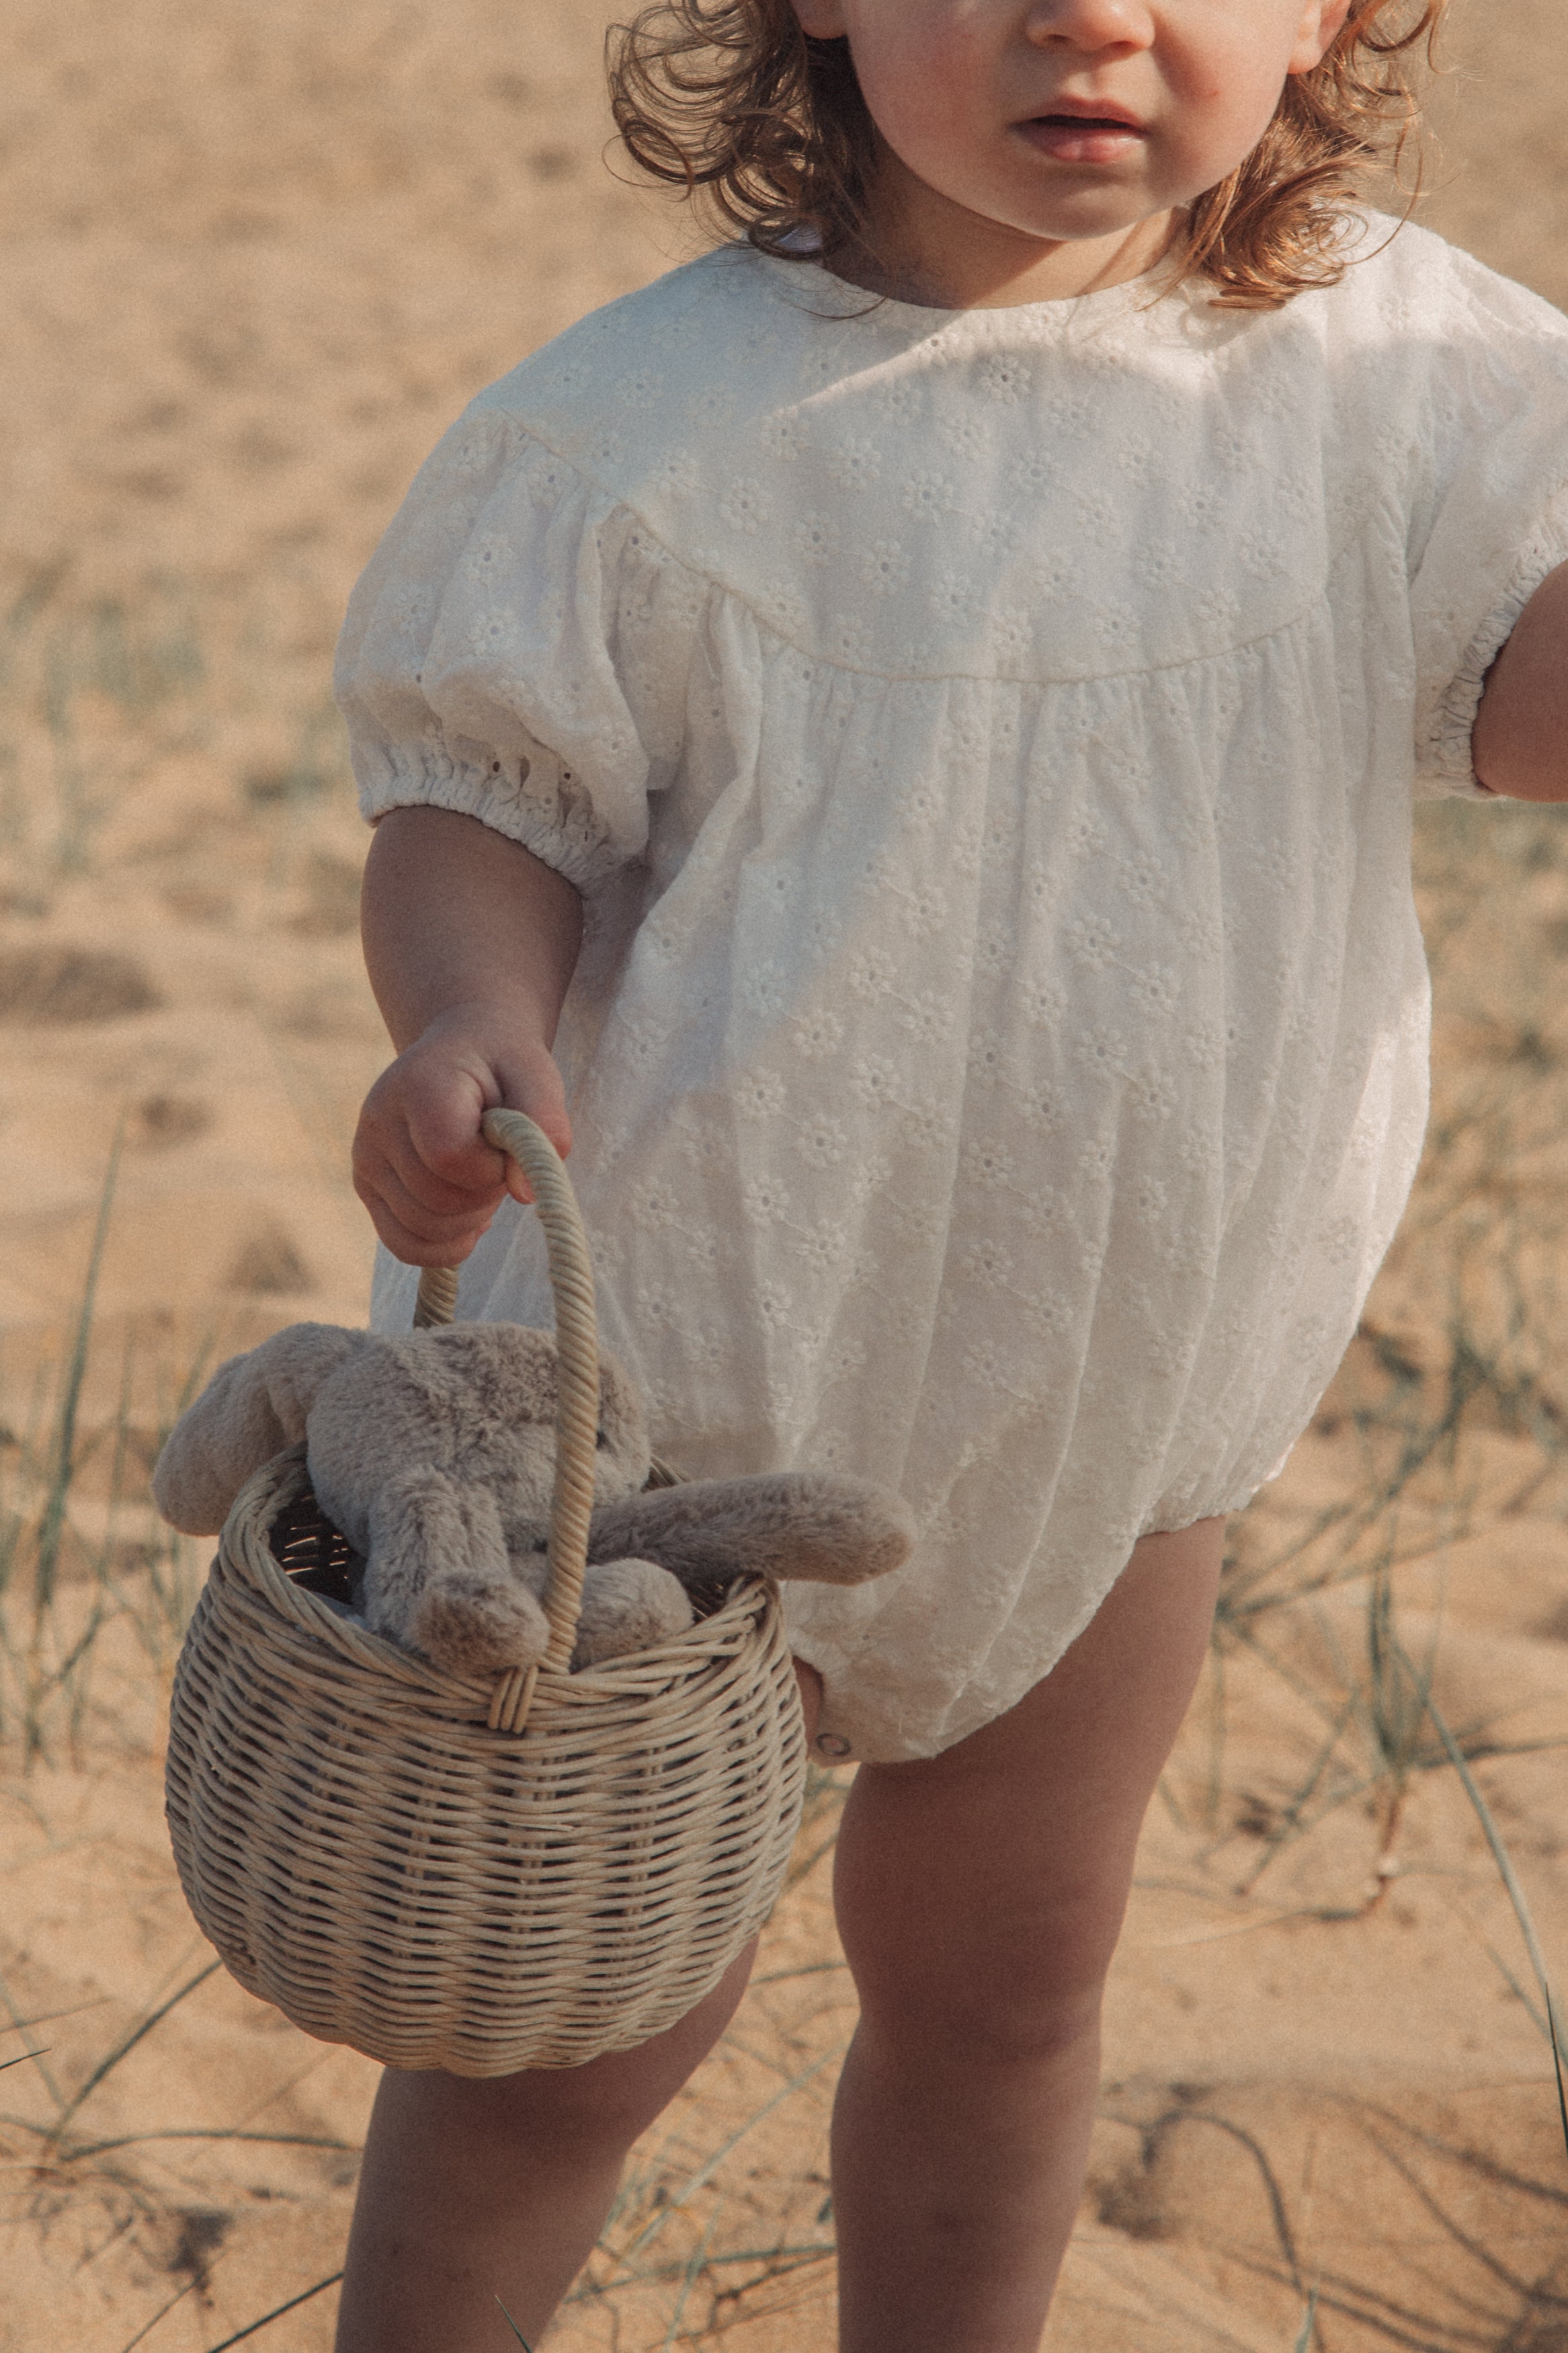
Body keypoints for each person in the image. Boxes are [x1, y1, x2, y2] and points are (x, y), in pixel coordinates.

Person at [331, 2, 1568, 2344]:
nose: (1088, 13)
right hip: (688, 1401)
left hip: (1120, 1386)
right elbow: (489, 786)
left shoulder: (1394, 373)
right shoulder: (658, 423)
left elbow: (1527, 693)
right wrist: (465, 1012)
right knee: (575, 2035)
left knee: (1008, 1994)